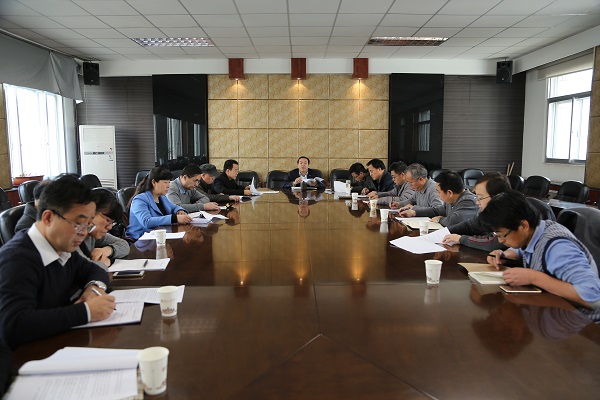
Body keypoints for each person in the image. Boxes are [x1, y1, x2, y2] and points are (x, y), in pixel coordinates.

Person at [0, 174, 115, 349]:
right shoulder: (17, 258)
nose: (84, 233)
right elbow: (14, 324)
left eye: (88, 225)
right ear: (48, 218)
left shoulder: (62, 248)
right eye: (78, 224)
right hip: (25, 358)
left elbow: (94, 270)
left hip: (58, 343)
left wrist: (94, 288)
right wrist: (86, 311)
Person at [481, 190, 600, 312]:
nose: (500, 241)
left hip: (580, 320)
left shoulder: (557, 247)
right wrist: (504, 254)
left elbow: (593, 297)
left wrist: (533, 277)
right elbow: (524, 250)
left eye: (502, 235)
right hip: (550, 311)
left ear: (523, 225)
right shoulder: (537, 230)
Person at [443, 173, 555, 251]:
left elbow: (495, 243)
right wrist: (443, 233)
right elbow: (470, 225)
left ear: (497, 197)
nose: (477, 202)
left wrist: (461, 239)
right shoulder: (488, 212)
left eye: (480, 198)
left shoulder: (511, 212)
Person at [126, 167, 192, 240]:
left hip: (160, 236)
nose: (168, 186)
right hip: (141, 239)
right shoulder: (139, 200)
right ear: (154, 182)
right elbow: (146, 222)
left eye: (169, 182)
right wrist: (175, 218)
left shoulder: (162, 197)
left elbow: (174, 207)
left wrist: (179, 211)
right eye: (165, 182)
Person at [399, 170, 478, 226]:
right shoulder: (451, 200)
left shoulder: (468, 201)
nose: (438, 194)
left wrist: (439, 219)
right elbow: (436, 211)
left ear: (449, 193)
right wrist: (414, 212)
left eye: (439, 192)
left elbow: (453, 221)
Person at [76, 189, 130, 271]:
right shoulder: (72, 236)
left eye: (112, 222)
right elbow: (80, 269)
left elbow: (124, 245)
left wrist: (109, 250)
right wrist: (105, 263)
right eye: (107, 220)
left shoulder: (92, 234)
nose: (110, 227)